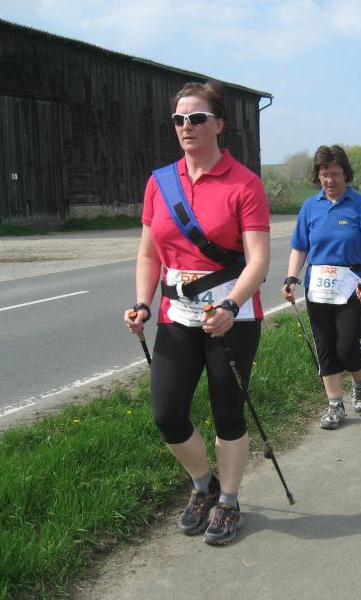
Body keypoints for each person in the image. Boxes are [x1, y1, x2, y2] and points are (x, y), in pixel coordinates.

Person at [124, 80, 270, 545]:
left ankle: (229, 501)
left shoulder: (244, 183)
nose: (186, 126)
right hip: (178, 314)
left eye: (197, 118)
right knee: (167, 412)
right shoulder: (160, 182)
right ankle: (203, 484)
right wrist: (143, 303)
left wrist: (231, 305)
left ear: (219, 124)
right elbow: (148, 253)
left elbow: (259, 261)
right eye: (179, 119)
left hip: (232, 316)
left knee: (227, 412)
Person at [282, 145, 361, 430]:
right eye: (324, 174)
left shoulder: (360, 205)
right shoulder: (310, 207)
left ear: (345, 174)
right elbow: (300, 248)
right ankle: (335, 405)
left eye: (335, 174)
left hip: (350, 284)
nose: (330, 180)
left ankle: (360, 382)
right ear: (318, 176)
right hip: (317, 286)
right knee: (325, 345)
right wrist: (291, 278)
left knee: (346, 345)